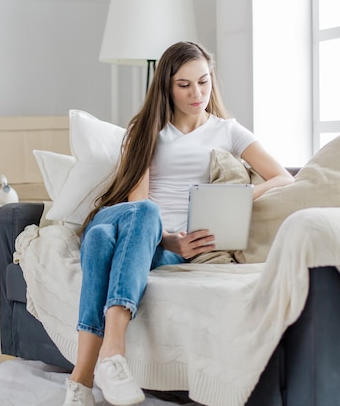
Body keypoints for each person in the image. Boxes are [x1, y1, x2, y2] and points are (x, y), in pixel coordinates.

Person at [63, 41, 295, 406]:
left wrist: (235, 198)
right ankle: (113, 353)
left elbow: (283, 178)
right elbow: (138, 201)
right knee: (143, 215)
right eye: (184, 84)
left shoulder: (229, 131)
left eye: (203, 82)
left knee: (99, 245)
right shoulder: (147, 128)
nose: (197, 93)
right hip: (132, 222)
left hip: (159, 248)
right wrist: (169, 239)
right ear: (167, 87)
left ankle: (79, 383)